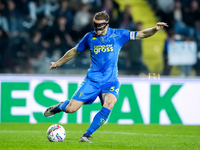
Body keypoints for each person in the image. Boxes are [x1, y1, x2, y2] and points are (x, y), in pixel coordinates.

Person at [44, 11, 168, 143]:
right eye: (95, 25)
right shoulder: (89, 37)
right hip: (92, 80)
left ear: (106, 25)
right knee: (71, 109)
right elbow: (75, 50)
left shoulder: (119, 35)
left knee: (109, 104)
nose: (96, 29)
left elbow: (142, 34)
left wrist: (155, 29)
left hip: (111, 81)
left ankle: (86, 135)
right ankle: (60, 106)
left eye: (99, 26)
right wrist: (58, 63)